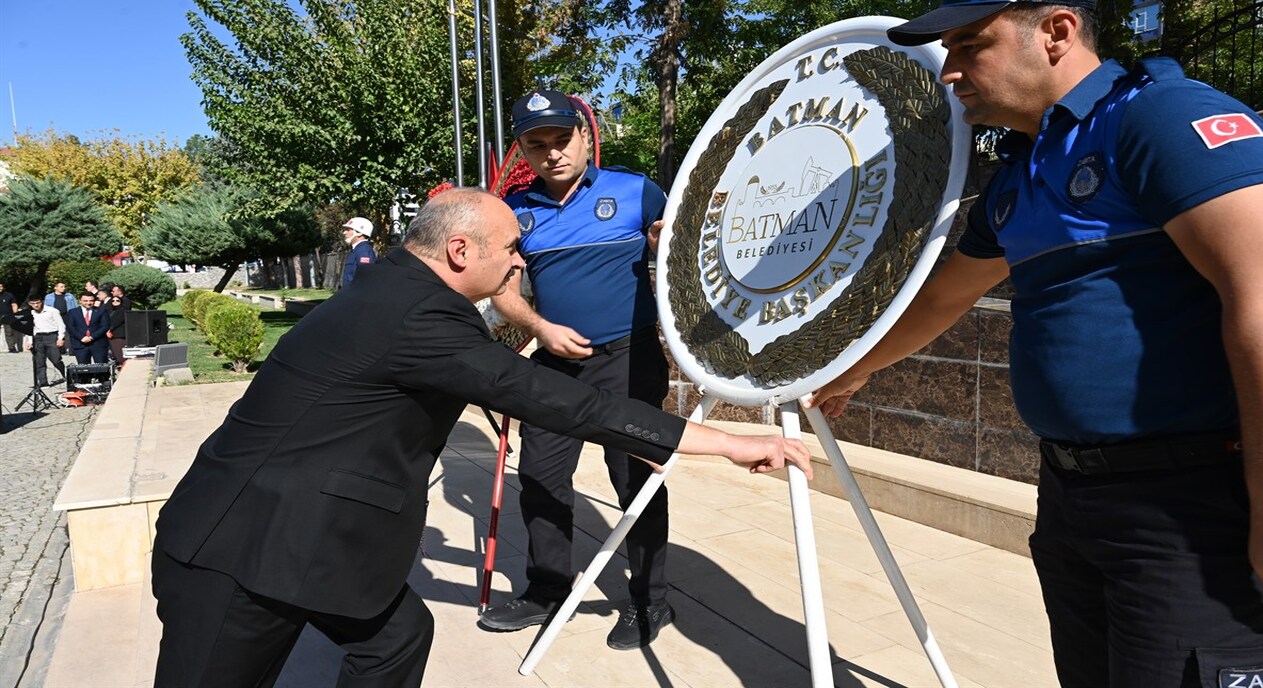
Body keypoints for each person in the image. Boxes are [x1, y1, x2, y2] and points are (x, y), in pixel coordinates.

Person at [808, 0, 1263, 685]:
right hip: (1072, 499)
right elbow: (944, 299)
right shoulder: (1022, 169)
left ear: (1057, 32)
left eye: (971, 44)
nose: (951, 71)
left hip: (1192, 508)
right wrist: (859, 367)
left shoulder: (1159, 120)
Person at [151, 187, 811, 687]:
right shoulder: (419, 315)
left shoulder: (394, 289)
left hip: (305, 538)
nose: (521, 261)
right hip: (241, 550)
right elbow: (558, 401)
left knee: (396, 638)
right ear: (460, 251)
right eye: (511, 249)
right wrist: (726, 444)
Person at [480, 89, 677, 650]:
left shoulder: (637, 192)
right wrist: (540, 330)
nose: (552, 153)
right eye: (536, 144)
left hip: (630, 361)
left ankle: (649, 601)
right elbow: (503, 292)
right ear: (523, 149)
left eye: (562, 139)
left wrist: (668, 247)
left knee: (633, 479)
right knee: (540, 475)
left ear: (585, 137)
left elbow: (683, 257)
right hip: (554, 362)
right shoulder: (515, 212)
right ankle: (547, 590)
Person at [23, 295, 66, 386]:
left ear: (41, 301)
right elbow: (30, 329)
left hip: (51, 336)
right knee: (39, 361)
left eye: (38, 302)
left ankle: (65, 375)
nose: (36, 305)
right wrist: (30, 341)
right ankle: (43, 382)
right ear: (30, 304)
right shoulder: (30, 313)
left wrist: (60, 338)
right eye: (33, 303)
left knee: (56, 359)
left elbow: (61, 325)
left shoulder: (52, 311)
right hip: (37, 337)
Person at [63, 292, 111, 364]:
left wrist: (92, 337)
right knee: (83, 370)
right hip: (80, 344)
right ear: (80, 301)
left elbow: (105, 326)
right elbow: (70, 327)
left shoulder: (101, 311)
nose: (88, 303)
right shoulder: (72, 312)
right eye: (85, 301)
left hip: (98, 343)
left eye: (91, 301)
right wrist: (81, 337)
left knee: (102, 368)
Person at [340, 216, 377, 287]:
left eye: (348, 230)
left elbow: (365, 278)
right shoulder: (357, 250)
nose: (344, 233)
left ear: (359, 233)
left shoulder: (364, 251)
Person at [0, 282, 20, 353]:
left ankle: (11, 348)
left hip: (7, 316)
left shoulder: (9, 295)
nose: (0, 288)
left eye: (1, 287)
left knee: (9, 332)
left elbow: (14, 305)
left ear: (3, 287)